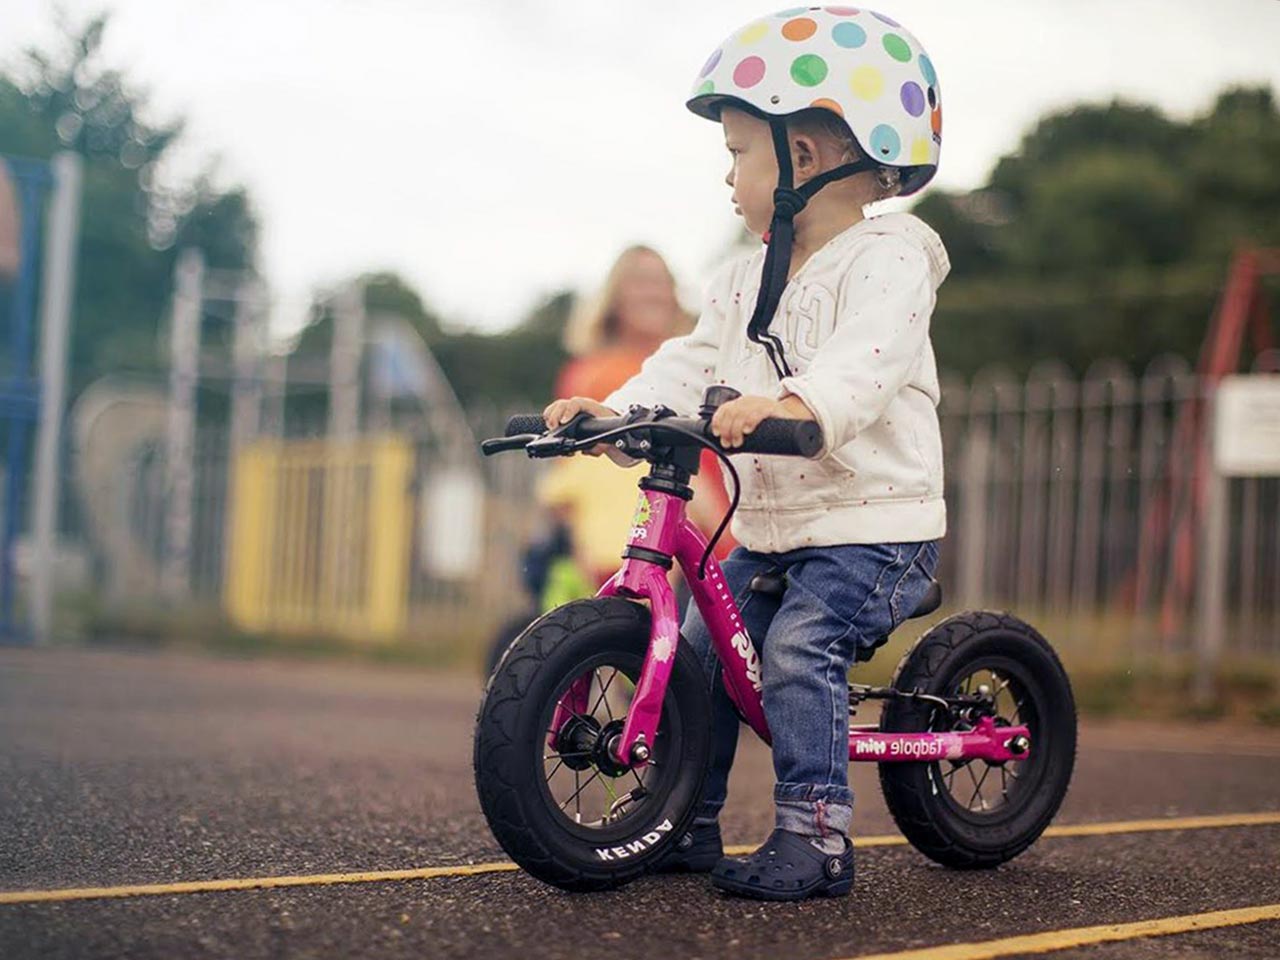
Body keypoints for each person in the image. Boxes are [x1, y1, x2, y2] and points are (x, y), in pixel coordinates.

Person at [542, 7, 947, 901]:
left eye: (738, 153)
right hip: (776, 528)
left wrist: (798, 406)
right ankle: (684, 819)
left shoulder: (890, 258)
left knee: (800, 650)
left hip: (873, 527)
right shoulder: (743, 271)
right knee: (696, 654)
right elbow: (693, 362)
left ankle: (816, 836)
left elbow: (866, 365)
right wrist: (614, 411)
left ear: (803, 160)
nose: (726, 175)